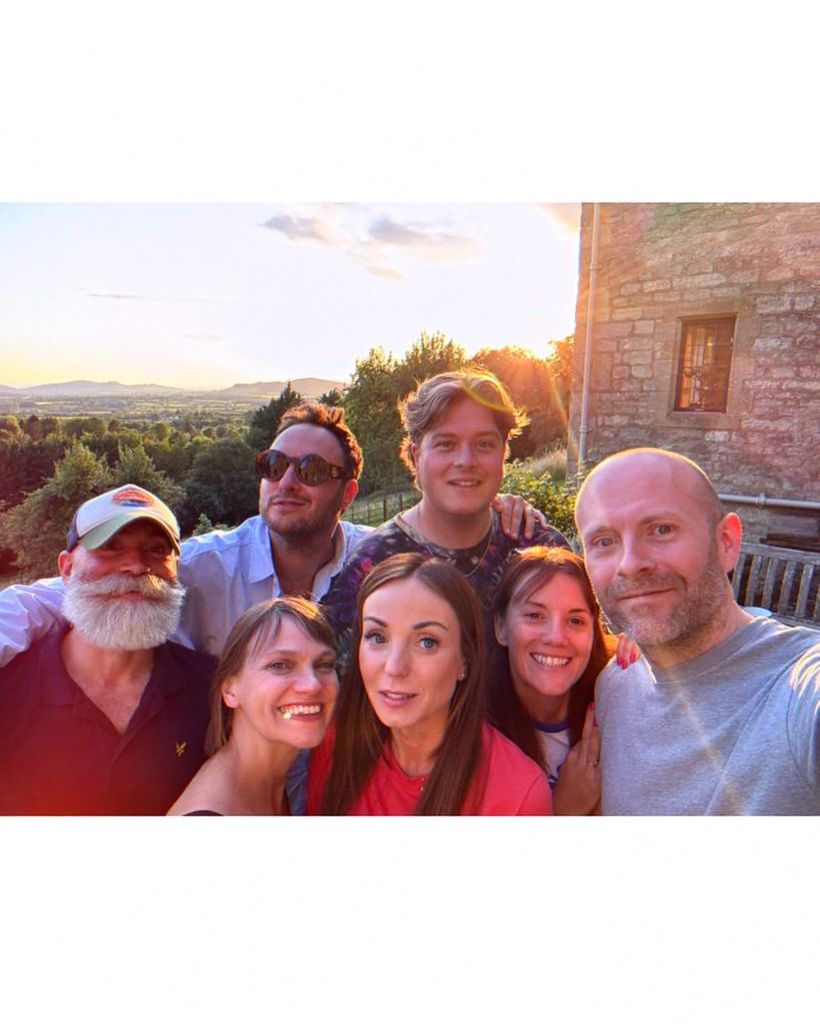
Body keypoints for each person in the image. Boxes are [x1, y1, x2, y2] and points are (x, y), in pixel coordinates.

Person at [0, 401, 544, 662]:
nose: (287, 482)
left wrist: (488, 509)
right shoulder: (206, 564)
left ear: (347, 493)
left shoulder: (375, 558)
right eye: (274, 465)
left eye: (310, 472)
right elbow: (92, 586)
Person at [575, 446, 820, 815]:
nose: (630, 564)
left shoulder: (796, 687)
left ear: (726, 542)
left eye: (661, 529)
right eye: (604, 542)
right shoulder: (614, 686)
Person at [0, 485, 215, 815]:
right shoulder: (10, 689)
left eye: (157, 550)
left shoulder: (214, 689)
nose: (135, 566)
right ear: (67, 568)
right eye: (110, 547)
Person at [324, 371, 570, 640]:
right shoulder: (374, 562)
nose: (466, 460)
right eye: (446, 444)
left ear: (503, 453)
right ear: (416, 456)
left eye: (484, 444)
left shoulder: (538, 546)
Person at [308, 553, 553, 815]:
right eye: (378, 637)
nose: (394, 667)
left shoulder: (518, 793)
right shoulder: (335, 745)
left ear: (465, 662)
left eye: (427, 642)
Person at [168, 597, 338, 816]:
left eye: (324, 664)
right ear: (230, 690)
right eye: (280, 665)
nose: (312, 685)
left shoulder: (270, 781)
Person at [490, 546, 625, 815]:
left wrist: (653, 655)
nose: (555, 637)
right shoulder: (472, 732)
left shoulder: (618, 704)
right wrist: (564, 810)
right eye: (534, 615)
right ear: (501, 627)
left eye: (575, 620)